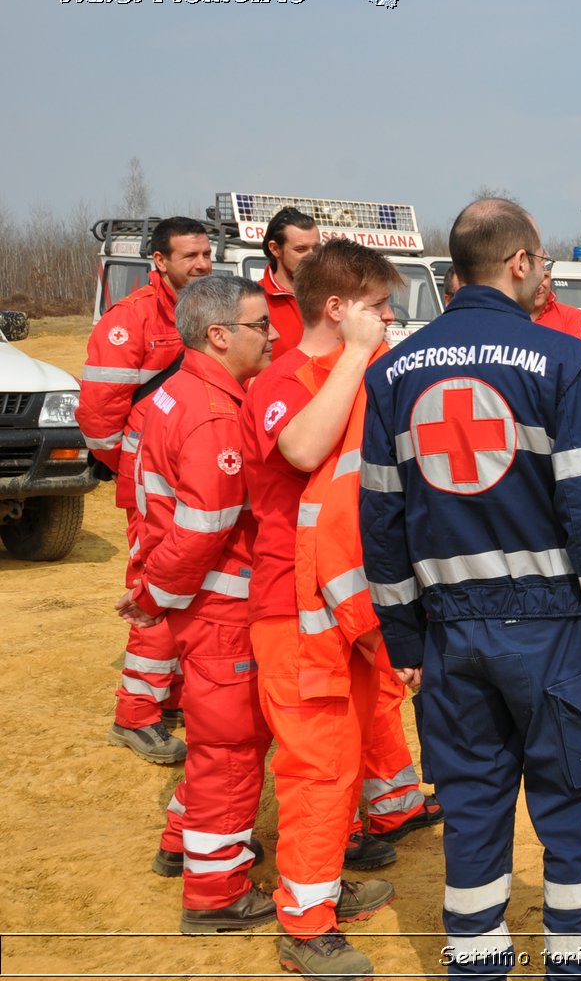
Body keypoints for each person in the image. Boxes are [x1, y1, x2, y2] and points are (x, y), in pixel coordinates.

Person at [362, 198, 581, 979]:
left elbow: (380, 519)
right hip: (553, 633)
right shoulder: (563, 360)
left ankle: (476, 967)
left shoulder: (391, 374)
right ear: (520, 261)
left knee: (472, 811)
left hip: (449, 638)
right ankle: (576, 968)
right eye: (541, 262)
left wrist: (405, 637)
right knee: (575, 808)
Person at [243, 240, 413, 980]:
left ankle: (323, 885)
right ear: (339, 310)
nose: (388, 320)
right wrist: (356, 356)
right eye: (379, 307)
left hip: (355, 603)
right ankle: (305, 926)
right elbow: (306, 447)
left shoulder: (369, 374)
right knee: (318, 767)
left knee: (345, 762)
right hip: (293, 607)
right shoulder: (278, 378)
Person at [120, 276, 277, 932]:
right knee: (230, 750)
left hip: (204, 608)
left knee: (219, 741)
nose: (270, 335)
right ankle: (217, 893)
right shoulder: (215, 415)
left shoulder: (177, 392)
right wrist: (155, 594)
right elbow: (204, 526)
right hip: (223, 611)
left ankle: (188, 841)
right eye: (259, 325)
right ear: (219, 334)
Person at [78, 215, 214, 764]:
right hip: (154, 477)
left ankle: (170, 695)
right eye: (190, 257)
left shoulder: (209, 310)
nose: (203, 264)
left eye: (207, 254)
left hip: (196, 471)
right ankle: (134, 716)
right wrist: (134, 463)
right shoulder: (130, 319)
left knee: (195, 584)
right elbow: (98, 414)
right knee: (157, 584)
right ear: (159, 262)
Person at [261, 206, 320, 350]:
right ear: (275, 249)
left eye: (316, 248)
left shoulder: (336, 295)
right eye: (301, 249)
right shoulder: (255, 300)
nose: (311, 256)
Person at [530, 249, 581, 340]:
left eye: (545, 276)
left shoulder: (572, 318)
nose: (539, 284)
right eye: (533, 278)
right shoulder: (506, 316)